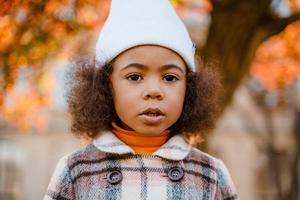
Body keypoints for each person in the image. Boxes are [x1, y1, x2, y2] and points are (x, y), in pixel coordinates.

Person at [44, 0, 238, 199]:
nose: (154, 91)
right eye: (135, 77)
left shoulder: (211, 174)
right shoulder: (76, 171)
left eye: (170, 78)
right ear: (105, 87)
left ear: (189, 89)